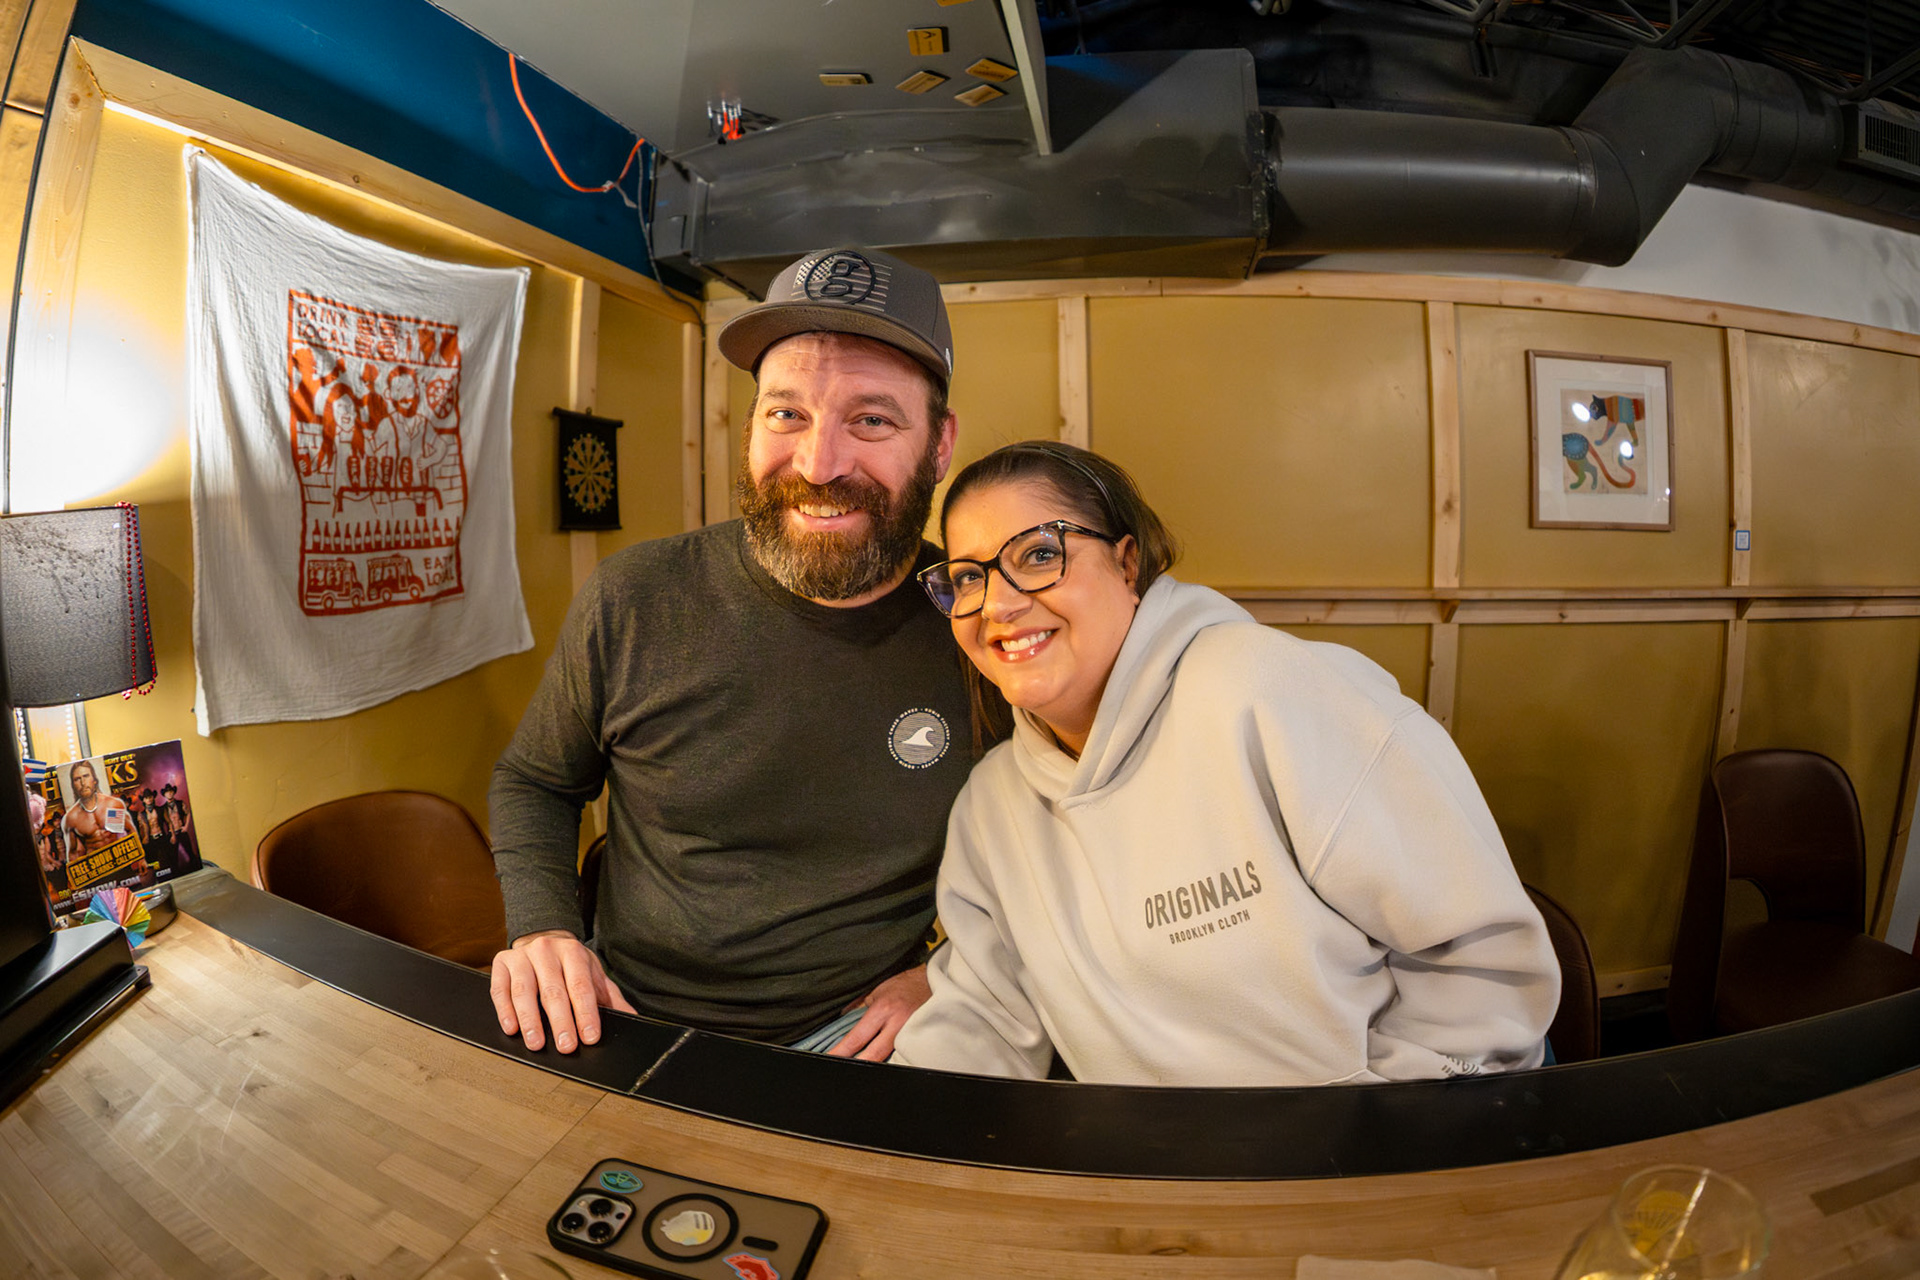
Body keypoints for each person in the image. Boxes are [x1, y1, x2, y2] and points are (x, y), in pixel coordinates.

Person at [890, 442, 1559, 1086]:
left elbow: (1483, 968)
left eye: (1040, 554)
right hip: (1161, 1159)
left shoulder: (1274, 695)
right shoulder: (993, 807)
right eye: (969, 577)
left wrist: (1373, 1131)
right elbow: (985, 1018)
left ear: (1127, 564)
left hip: (1389, 1136)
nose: (998, 604)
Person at [489, 247, 972, 1061]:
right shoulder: (633, 596)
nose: (819, 464)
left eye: (872, 420)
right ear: (750, 427)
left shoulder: (982, 622)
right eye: (787, 414)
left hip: (867, 1040)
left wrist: (955, 968)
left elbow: (1055, 836)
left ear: (940, 444)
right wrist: (543, 929)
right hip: (620, 1015)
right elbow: (536, 781)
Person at [61, 760, 134, 860]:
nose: (83, 783)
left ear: (94, 780)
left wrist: (140, 859)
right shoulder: (71, 818)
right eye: (77, 779)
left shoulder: (111, 804)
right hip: (96, 865)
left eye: (86, 776)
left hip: (120, 859)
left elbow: (130, 830)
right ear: (73, 785)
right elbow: (73, 853)